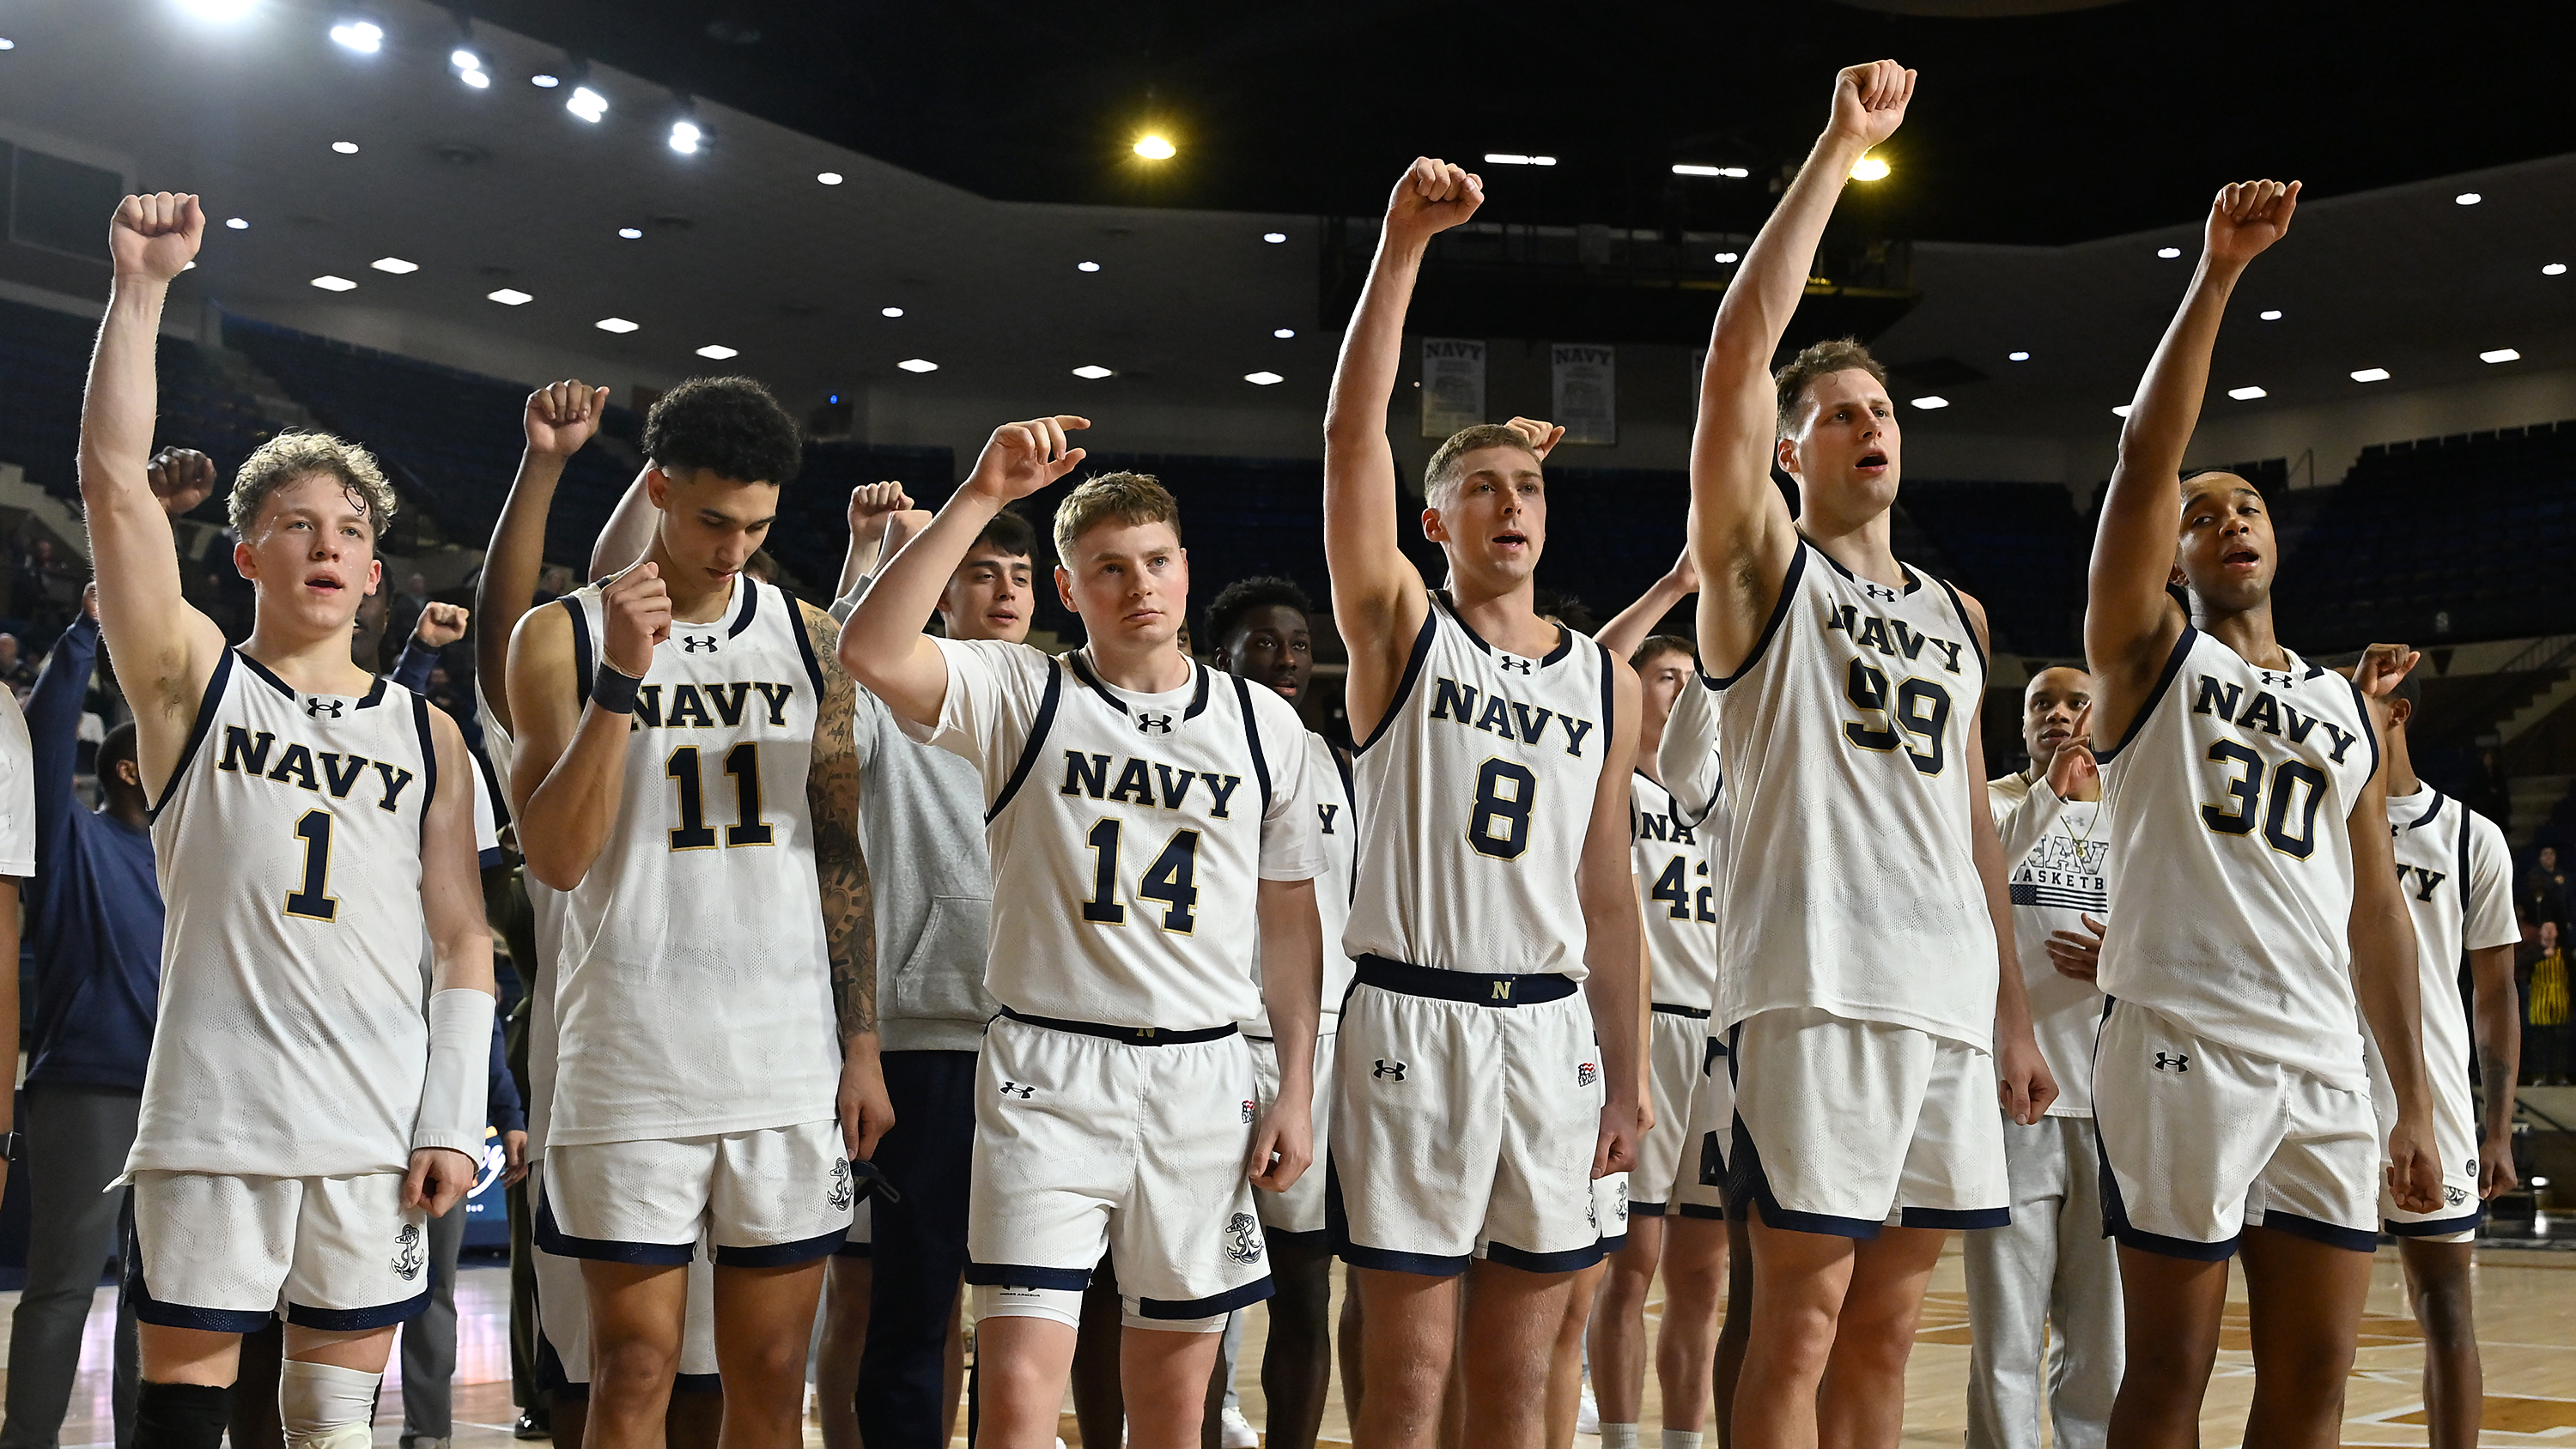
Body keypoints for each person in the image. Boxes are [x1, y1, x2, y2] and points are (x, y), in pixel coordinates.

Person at [82, 191, 495, 1449]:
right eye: (296, 528)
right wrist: (142, 290)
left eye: (352, 533)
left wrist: (451, 1123)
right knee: (179, 1424)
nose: (328, 547)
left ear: (378, 574)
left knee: (335, 1428)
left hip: (371, 1128)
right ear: (246, 557)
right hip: (214, 1116)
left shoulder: (427, 735)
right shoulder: (193, 682)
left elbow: (466, 943)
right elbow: (109, 486)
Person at [1684, 63, 2053, 1449]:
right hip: (1817, 988)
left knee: (1895, 1329)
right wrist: (1838, 151)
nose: (1871, 423)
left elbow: (1971, 825)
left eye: (1884, 409)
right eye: (1839, 411)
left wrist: (2013, 1010)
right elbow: (1733, 357)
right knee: (1802, 1318)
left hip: (1947, 994)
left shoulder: (1955, 613)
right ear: (1790, 451)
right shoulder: (1764, 569)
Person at [840, 423, 1326, 1449]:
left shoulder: (1263, 725)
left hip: (1202, 1074)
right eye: (1108, 569)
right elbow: (872, 650)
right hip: (1047, 1072)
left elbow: (1289, 918)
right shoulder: (1025, 692)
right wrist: (977, 492)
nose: (1138, 585)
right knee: (1016, 1390)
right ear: (1071, 591)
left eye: (1155, 561)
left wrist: (1295, 1083)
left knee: (1173, 1399)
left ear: (1187, 569)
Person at [2082, 177, 2441, 1446]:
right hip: (2186, 1037)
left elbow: (2378, 915)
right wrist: (2220, 273)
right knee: (2170, 1373)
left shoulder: (2345, 706)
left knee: (2315, 1382)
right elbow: (2145, 456)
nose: (2227, 522)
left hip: (2319, 1059)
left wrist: (2413, 1095)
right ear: (2170, 557)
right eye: (2202, 516)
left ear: (2277, 543)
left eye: (2248, 509)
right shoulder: (2150, 658)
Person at [1322, 155, 1646, 1449]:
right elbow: (1352, 437)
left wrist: (1625, 1076)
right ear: (1433, 520)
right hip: (1415, 1015)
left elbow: (1609, 891)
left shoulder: (1608, 679)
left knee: (1522, 1387)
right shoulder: (1402, 632)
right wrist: (1402, 249)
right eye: (1484, 489)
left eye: (1531, 488)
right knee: (1407, 1387)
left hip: (1554, 1032)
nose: (1514, 505)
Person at [505, 375, 883, 1449]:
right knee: (632, 1369)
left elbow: (841, 855)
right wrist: (625, 678)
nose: (732, 547)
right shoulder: (560, 638)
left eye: (756, 526)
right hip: (627, 1059)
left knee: (770, 1374)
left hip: (782, 1062)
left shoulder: (816, 645)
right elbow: (559, 856)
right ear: (660, 489)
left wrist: (862, 1046)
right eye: (713, 520)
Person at [476, 382, 725, 1449]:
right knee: (595, 1371)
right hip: (594, 1065)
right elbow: (518, 619)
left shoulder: (719, 674)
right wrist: (548, 465)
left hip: (733, 1065)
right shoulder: (550, 676)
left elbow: (641, 569)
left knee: (712, 1368)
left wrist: (661, 459)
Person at [823, 483, 1012, 1449]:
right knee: (914, 1303)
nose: (1008, 590)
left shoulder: (1053, 699)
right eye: (985, 572)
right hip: (926, 1038)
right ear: (943, 592)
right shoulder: (899, 708)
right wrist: (869, 556)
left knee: (1026, 1311)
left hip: (1042, 1037)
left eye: (1024, 574)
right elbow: (843, 659)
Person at [1, 579, 170, 1449]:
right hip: (88, 1090)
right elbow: (37, 739)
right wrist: (85, 632)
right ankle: (27, 1437)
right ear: (127, 766)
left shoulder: (190, 864)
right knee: (65, 1283)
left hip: (179, 1101)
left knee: (163, 1292)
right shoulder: (72, 835)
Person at [2343, 652, 2522, 1449]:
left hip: (2434, 1095)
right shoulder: (2312, 824)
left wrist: (2496, 1126)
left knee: (2445, 1307)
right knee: (2315, 1322)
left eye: (2359, 705)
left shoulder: (2469, 837)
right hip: (2327, 1087)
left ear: (2398, 713)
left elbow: (2494, 994)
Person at [1201, 573, 1357, 1449]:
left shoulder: (1333, 759)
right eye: (1264, 641)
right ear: (1218, 654)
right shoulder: (1198, 745)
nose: (1287, 657)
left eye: (1298, 642)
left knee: (1304, 1280)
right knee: (1198, 1272)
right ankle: (1209, 1418)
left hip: (1318, 1041)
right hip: (1215, 1034)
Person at [1964, 668, 2120, 1449]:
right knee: (2007, 1330)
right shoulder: (1990, 804)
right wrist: (2050, 797)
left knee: (2104, 1342)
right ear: (2020, 726)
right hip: (2012, 1098)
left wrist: (2120, 963)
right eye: (2040, 706)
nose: (2058, 716)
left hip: (2118, 1102)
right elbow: (1970, 880)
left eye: (2075, 703)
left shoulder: (2141, 813)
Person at [1589, 557, 1723, 1449]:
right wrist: (1678, 589)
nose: (1678, 690)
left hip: (1718, 1036)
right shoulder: (1608, 785)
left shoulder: (1719, 790)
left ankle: (1684, 1437)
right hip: (1639, 1026)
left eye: (1690, 678)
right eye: (1663, 675)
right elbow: (1593, 666)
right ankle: (1623, 1436)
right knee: (1630, 1263)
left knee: (1705, 1273)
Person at [2525, 844, 2567, 930]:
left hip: (2560, 916)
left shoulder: (2561, 873)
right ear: (2540, 858)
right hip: (2543, 916)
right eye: (2545, 854)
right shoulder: (2534, 874)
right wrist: (2554, 883)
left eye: (2551, 854)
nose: (2549, 856)